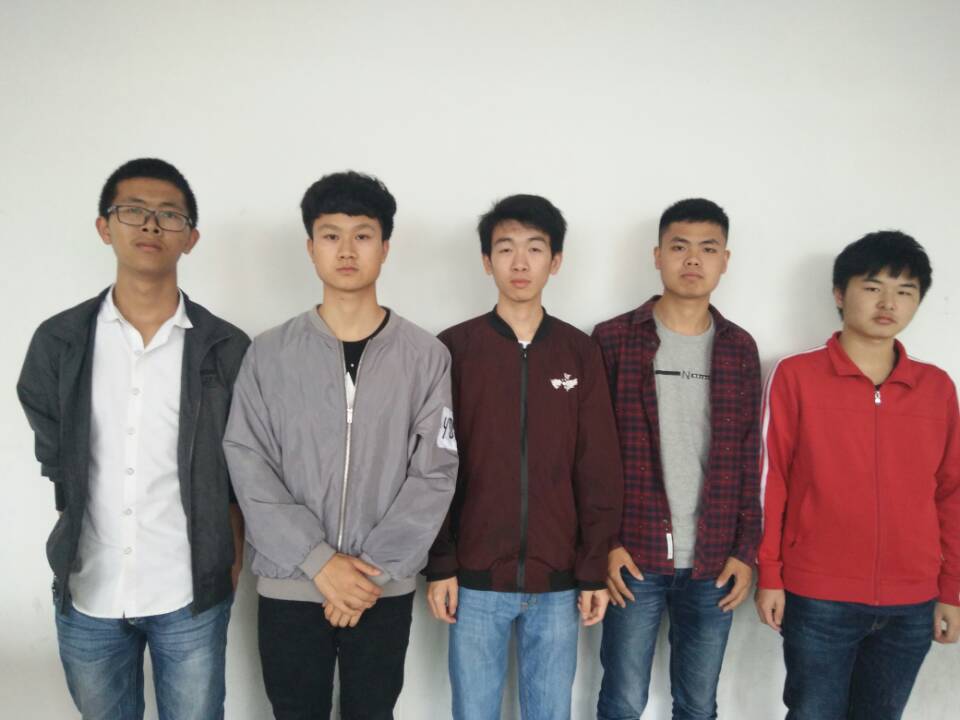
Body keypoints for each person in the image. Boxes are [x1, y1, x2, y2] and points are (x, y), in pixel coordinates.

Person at [17, 158, 249, 720]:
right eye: (133, 211)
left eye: (169, 215)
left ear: (191, 238)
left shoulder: (225, 348)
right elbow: (55, 454)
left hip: (189, 594)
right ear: (105, 227)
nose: (150, 225)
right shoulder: (60, 341)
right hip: (88, 590)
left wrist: (230, 557)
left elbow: (241, 468)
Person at [223, 170, 458, 719]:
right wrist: (321, 562)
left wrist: (367, 571)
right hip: (290, 584)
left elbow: (435, 472)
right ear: (311, 248)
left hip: (381, 588)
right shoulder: (269, 353)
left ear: (385, 248)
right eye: (331, 235)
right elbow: (248, 462)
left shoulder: (425, 356)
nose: (346, 250)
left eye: (362, 235)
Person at [425, 194, 623, 720]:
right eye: (505, 248)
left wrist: (592, 569)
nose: (520, 262)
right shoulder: (453, 349)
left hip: (558, 582)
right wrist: (441, 563)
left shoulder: (579, 352)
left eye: (535, 249)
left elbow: (598, 468)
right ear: (486, 260)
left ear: (555, 261)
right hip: (473, 581)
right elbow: (434, 464)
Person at [756, 230, 960, 720]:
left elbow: (951, 492)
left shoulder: (936, 387)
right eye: (872, 287)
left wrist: (952, 589)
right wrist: (770, 574)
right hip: (819, 594)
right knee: (813, 713)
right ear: (839, 293)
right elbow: (770, 480)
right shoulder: (796, 375)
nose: (888, 303)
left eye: (905, 291)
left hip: (913, 599)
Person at [592, 198, 762, 720]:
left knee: (699, 704)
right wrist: (606, 543)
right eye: (679, 247)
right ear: (657, 256)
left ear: (725, 260)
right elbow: (591, 452)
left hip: (714, 560)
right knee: (623, 701)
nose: (692, 259)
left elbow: (750, 456)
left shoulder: (739, 348)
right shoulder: (614, 339)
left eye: (707, 249)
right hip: (633, 556)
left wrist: (745, 550)